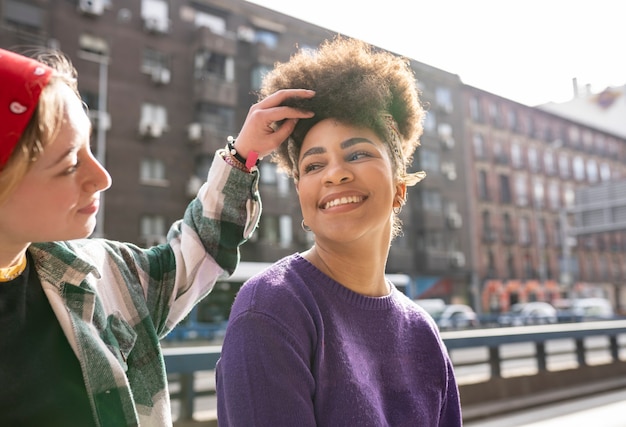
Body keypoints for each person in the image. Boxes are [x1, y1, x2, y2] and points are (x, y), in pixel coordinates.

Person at [0, 47, 314, 426]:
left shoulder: (100, 274)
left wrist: (243, 154)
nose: (102, 177)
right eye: (70, 163)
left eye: (90, 148)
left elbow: (199, 250)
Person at [216, 36, 463, 426]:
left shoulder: (423, 333)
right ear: (302, 197)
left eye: (358, 154)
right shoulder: (271, 308)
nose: (336, 173)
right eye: (314, 166)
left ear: (400, 187)